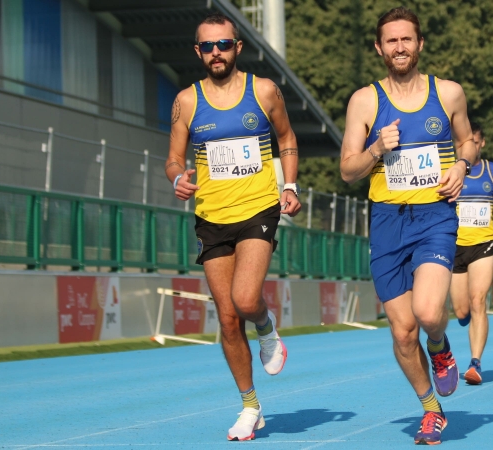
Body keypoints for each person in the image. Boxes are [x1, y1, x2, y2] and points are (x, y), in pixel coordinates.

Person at [338, 7, 478, 445]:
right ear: (379, 48)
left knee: (428, 313)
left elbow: (469, 141)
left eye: (407, 40)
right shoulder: (364, 101)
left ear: (420, 44)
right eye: (391, 41)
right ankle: (430, 410)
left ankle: (439, 345)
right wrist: (377, 146)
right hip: (386, 222)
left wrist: (462, 165)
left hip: (435, 216)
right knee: (401, 333)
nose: (400, 47)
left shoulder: (449, 93)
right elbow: (347, 169)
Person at [165, 13, 296, 441]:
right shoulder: (186, 101)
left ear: (238, 47)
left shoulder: (263, 91)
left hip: (258, 208)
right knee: (225, 319)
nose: (216, 53)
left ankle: (266, 326)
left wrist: (289, 184)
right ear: (198, 52)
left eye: (223, 44)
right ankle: (249, 406)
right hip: (212, 216)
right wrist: (176, 177)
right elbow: (172, 158)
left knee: (244, 298)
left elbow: (287, 139)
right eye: (208, 47)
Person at [449, 122, 493, 385]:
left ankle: (475, 363)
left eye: (475, 142)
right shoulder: (450, 171)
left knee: (478, 300)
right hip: (454, 247)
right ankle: (467, 317)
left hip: (483, 244)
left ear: (481, 144)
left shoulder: (492, 172)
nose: (471, 146)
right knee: (461, 311)